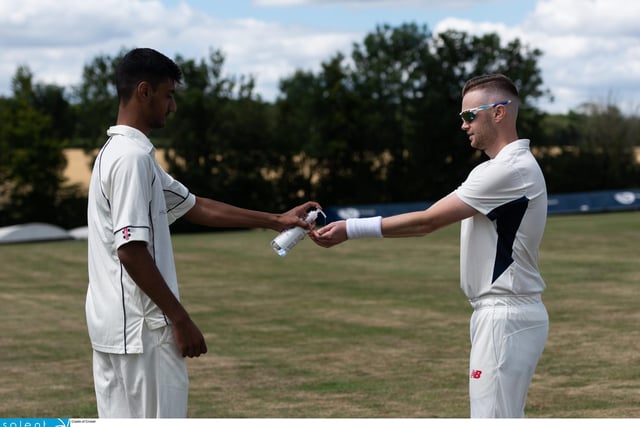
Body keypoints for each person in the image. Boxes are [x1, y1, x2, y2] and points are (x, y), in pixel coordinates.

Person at [86, 47, 320, 418]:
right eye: (169, 95)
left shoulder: (121, 153)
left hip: (118, 331)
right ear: (144, 91)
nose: (172, 106)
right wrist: (180, 318)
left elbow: (195, 206)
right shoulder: (131, 159)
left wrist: (277, 220)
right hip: (144, 332)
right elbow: (130, 249)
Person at [311, 74, 549, 418]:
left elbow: (428, 221)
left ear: (499, 113)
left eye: (470, 116)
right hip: (504, 312)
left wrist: (350, 229)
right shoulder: (506, 167)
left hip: (505, 312)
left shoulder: (508, 169)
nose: (464, 125)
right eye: (461, 118)